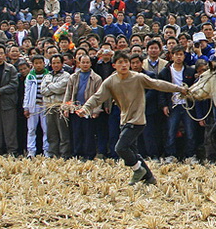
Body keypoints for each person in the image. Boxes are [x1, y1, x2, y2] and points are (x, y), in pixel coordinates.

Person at [76, 51, 191, 186]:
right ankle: (150, 178)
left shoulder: (138, 77)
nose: (124, 65)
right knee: (134, 153)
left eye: (126, 62)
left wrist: (178, 89)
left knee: (120, 148)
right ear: (114, 65)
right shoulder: (110, 81)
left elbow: (158, 84)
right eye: (120, 63)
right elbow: (97, 97)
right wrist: (85, 108)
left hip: (137, 120)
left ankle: (137, 171)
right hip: (123, 119)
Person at [64, 53, 104, 160]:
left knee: (88, 133)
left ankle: (89, 154)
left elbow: (99, 96)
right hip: (76, 108)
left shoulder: (96, 78)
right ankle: (77, 153)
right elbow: (68, 93)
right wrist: (66, 107)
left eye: (87, 62)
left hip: (88, 110)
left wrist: (96, 110)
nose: (85, 64)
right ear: (79, 63)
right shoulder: (73, 77)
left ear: (91, 64)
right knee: (76, 132)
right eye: (83, 62)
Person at [162, 47, 196, 162]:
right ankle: (170, 155)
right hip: (173, 105)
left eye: (181, 54)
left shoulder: (190, 71)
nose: (178, 57)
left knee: (190, 131)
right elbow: (161, 90)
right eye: (176, 54)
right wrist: (164, 105)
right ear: (172, 56)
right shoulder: (165, 71)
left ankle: (190, 155)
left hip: (187, 105)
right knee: (171, 131)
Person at [22, 55, 48, 157]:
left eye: (40, 63)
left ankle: (46, 151)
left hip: (45, 105)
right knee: (31, 129)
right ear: (32, 65)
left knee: (46, 129)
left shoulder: (48, 75)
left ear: (44, 63)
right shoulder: (30, 76)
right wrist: (26, 107)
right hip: (33, 105)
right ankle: (31, 151)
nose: (38, 65)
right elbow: (27, 93)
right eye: (36, 63)